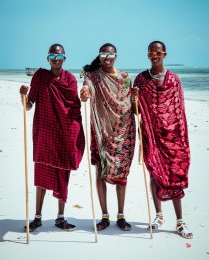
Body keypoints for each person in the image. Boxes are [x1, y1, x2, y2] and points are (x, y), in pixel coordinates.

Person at [20, 43, 85, 232]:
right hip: (45, 132)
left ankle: (60, 217)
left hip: (64, 133)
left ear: (65, 58)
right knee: (40, 173)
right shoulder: (40, 77)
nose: (56, 59)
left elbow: (74, 107)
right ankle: (37, 217)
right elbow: (29, 104)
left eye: (59, 56)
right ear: (47, 58)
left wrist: (86, 97)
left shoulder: (70, 79)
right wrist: (23, 97)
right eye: (52, 56)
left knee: (62, 174)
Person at [131, 40, 193, 239]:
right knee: (154, 173)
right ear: (148, 54)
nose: (154, 55)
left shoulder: (174, 80)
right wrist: (133, 99)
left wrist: (180, 138)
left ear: (164, 54)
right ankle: (158, 216)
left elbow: (179, 111)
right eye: (150, 52)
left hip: (173, 138)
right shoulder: (140, 80)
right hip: (151, 136)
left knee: (174, 176)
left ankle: (180, 221)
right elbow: (135, 111)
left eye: (157, 52)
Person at [80, 43, 136, 231]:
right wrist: (85, 93)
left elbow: (132, 105)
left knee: (122, 174)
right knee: (100, 171)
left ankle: (121, 215)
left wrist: (136, 98)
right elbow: (86, 87)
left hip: (122, 131)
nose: (107, 57)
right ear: (99, 56)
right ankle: (104, 215)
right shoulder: (92, 76)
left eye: (110, 54)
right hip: (101, 130)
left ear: (116, 56)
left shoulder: (125, 77)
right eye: (103, 54)